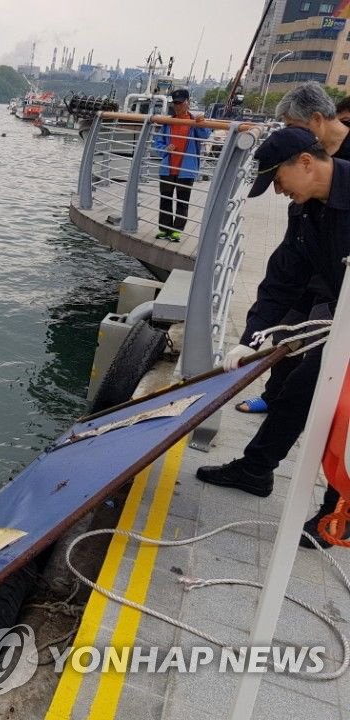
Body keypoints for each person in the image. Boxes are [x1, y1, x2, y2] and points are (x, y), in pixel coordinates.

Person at [195, 126, 350, 547]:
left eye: (278, 180)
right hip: (342, 314)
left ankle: (341, 513)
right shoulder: (305, 210)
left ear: (304, 162)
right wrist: (252, 339)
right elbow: (283, 280)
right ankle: (255, 468)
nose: (278, 192)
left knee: (343, 414)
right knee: (299, 389)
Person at [235, 82, 350, 415]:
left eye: (290, 127)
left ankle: (263, 453)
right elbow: (281, 276)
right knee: (286, 332)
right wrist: (248, 339)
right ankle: (273, 398)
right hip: (314, 260)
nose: (285, 134)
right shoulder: (303, 198)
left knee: (312, 371)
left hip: (338, 282)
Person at [151, 88, 211, 241]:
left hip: (186, 169)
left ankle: (177, 231)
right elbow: (157, 143)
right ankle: (165, 229)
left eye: (180, 103)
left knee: (182, 201)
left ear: (187, 103)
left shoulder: (194, 122)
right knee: (165, 199)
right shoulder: (168, 123)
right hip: (167, 169)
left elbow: (205, 135)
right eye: (174, 103)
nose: (177, 106)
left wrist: (201, 123)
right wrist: (165, 149)